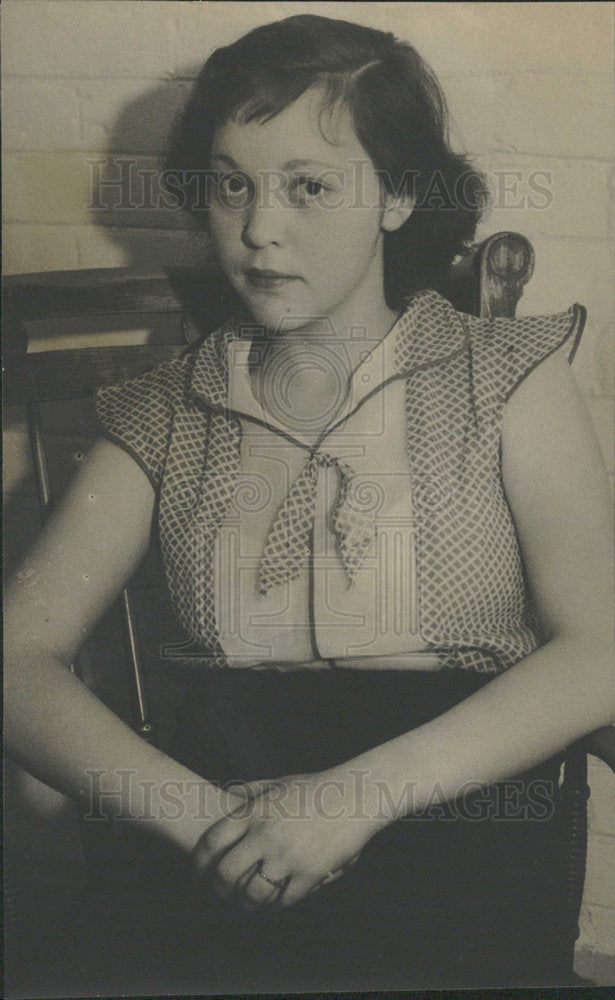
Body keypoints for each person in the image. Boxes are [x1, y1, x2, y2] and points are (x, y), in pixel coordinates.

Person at [5, 13, 613, 993]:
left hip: (457, 833)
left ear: (402, 194)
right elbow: (16, 655)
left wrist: (349, 800)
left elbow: (601, 649)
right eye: (231, 183)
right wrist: (207, 825)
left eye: (309, 186)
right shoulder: (166, 407)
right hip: (218, 827)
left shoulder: (506, 374)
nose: (258, 227)